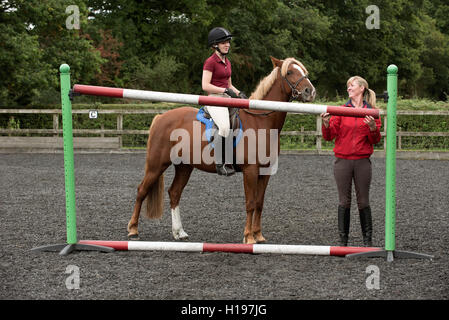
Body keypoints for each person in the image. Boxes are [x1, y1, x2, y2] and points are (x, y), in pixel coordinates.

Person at [320, 76, 382, 247]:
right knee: (343, 201)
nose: (348, 88)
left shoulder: (372, 112)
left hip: (362, 162)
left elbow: (375, 140)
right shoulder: (341, 110)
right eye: (347, 86)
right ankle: (343, 241)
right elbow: (329, 136)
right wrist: (325, 124)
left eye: (351, 85)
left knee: (363, 201)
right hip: (343, 162)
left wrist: (372, 128)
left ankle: (367, 241)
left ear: (361, 88)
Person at [202, 27, 247, 176]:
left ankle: (234, 157)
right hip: (214, 99)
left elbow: (229, 85)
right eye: (223, 43)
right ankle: (220, 163)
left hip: (227, 98)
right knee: (224, 127)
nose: (227, 45)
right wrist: (223, 91)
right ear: (215, 45)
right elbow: (205, 85)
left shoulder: (227, 61)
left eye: (228, 42)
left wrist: (239, 93)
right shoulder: (210, 62)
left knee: (243, 119)